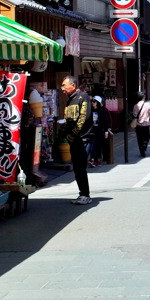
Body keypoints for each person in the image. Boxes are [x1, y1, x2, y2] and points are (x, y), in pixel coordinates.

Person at [59, 76, 93, 205]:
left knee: (81, 167)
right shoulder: (70, 100)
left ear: (72, 85)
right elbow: (69, 120)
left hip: (81, 138)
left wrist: (73, 133)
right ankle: (82, 193)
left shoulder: (83, 97)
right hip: (73, 139)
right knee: (77, 168)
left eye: (64, 85)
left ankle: (85, 194)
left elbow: (84, 117)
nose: (62, 88)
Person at [88, 96, 112, 167]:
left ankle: (98, 159)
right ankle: (92, 159)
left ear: (98, 103)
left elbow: (107, 121)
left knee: (99, 145)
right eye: (92, 102)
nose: (92, 103)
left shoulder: (103, 110)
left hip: (100, 131)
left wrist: (106, 131)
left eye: (94, 102)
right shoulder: (90, 110)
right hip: (92, 131)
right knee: (93, 146)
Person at [131, 92, 150, 158]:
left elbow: (134, 115)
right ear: (143, 97)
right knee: (147, 137)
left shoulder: (135, 106)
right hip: (146, 124)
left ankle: (142, 151)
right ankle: (144, 146)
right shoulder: (148, 105)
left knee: (139, 138)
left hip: (138, 124)